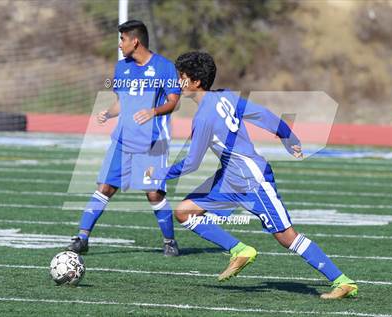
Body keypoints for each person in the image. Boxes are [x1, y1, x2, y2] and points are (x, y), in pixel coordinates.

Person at [146, 51, 358, 299]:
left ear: (195, 82)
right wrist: (288, 136)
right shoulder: (224, 96)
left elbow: (192, 163)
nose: (176, 82)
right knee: (184, 212)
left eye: (180, 77)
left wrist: (160, 173)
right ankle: (240, 250)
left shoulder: (204, 116)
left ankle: (343, 282)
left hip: (252, 179)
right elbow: (263, 114)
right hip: (229, 176)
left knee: (286, 236)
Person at [66, 20, 181, 256]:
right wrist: (108, 113)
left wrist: (153, 111)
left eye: (122, 39)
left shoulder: (165, 67)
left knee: (154, 194)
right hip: (122, 140)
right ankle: (82, 237)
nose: (120, 44)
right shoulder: (122, 68)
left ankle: (169, 241)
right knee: (105, 187)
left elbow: (173, 101)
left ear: (135, 41)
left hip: (152, 143)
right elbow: (122, 102)